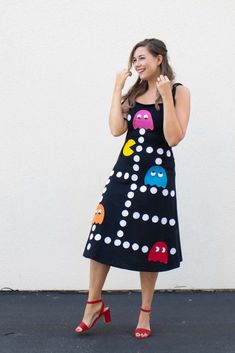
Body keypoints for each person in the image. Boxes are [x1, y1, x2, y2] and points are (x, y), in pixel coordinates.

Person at [75, 38, 191, 339]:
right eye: (134, 60)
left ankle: (145, 313)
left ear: (159, 59)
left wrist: (165, 95)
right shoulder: (133, 93)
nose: (137, 64)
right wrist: (117, 88)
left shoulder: (179, 92)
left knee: (149, 242)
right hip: (124, 175)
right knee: (101, 232)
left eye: (142, 58)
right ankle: (93, 304)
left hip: (157, 180)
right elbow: (116, 129)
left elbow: (174, 138)